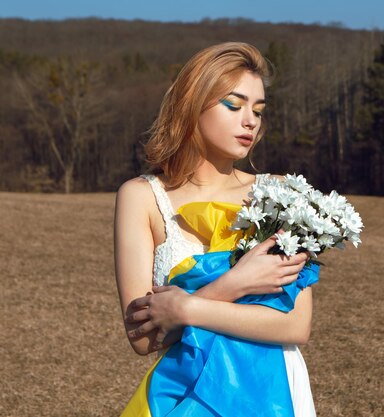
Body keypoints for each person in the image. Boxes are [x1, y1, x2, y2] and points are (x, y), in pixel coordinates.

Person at [114, 42, 317, 417]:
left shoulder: (281, 194)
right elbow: (143, 338)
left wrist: (186, 307)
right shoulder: (141, 197)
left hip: (274, 395)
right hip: (182, 395)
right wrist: (233, 285)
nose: (250, 120)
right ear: (194, 104)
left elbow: (295, 325)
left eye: (258, 110)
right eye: (234, 105)